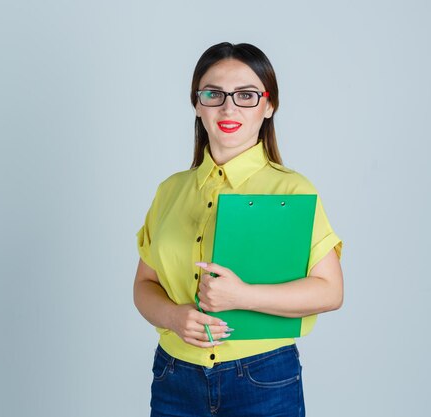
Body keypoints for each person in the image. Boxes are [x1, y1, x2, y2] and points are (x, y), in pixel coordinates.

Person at [133, 42, 343, 417]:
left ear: (269, 105)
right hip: (174, 376)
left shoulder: (292, 190)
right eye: (213, 94)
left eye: (246, 95)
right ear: (197, 104)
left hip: (261, 376)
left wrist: (243, 296)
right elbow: (144, 285)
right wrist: (172, 316)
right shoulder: (170, 190)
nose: (228, 108)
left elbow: (330, 291)